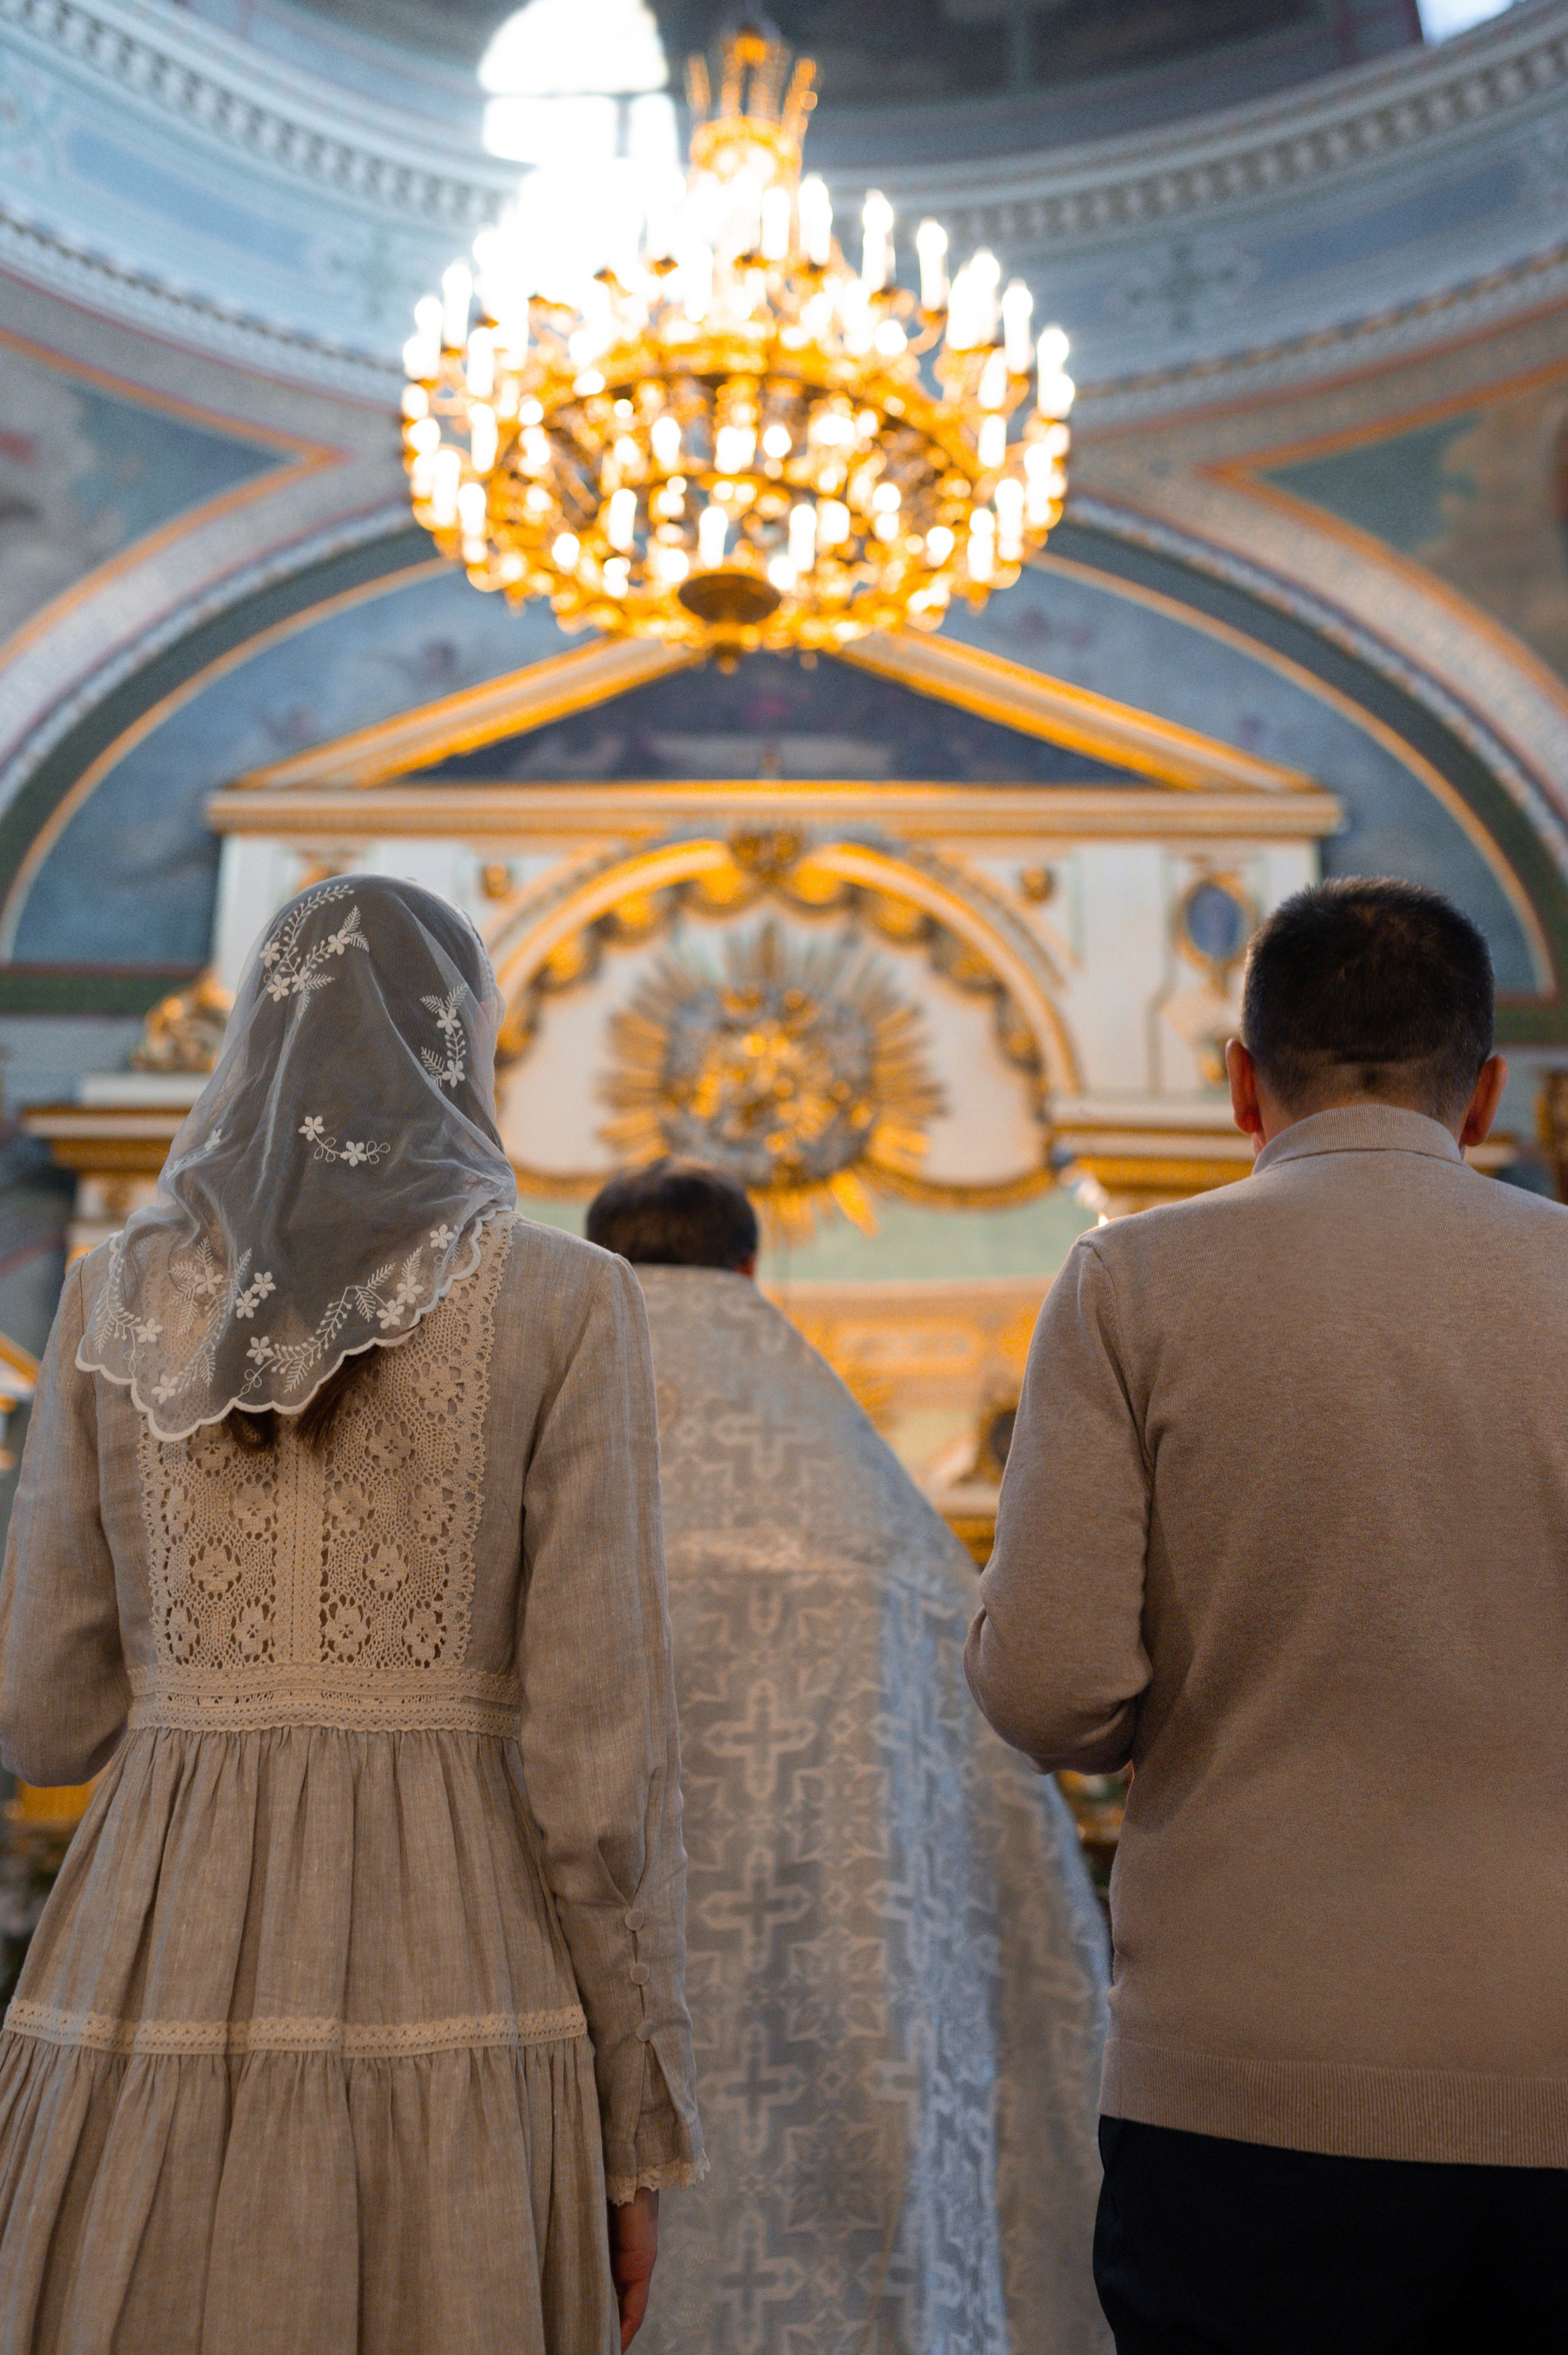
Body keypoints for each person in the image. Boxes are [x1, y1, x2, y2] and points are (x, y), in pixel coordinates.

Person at [0, 877, 702, 2355]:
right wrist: (632, 2116)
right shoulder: (567, 1299)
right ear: (463, 1048)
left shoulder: (102, 1300)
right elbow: (596, 1773)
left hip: (151, 1953)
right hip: (458, 1948)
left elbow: (45, 1717)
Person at [966, 877, 1568, 2354]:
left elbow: (1049, 1688)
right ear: (1483, 1087)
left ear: (1241, 1080)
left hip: (1239, 2073)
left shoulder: (1133, 1280)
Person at [586, 1159, 1112, 2355]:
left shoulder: (547, 1455)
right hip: (827, 1994)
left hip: (593, 1994)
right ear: (749, 1269)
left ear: (596, 1269)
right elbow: (985, 1794)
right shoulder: (860, 1506)